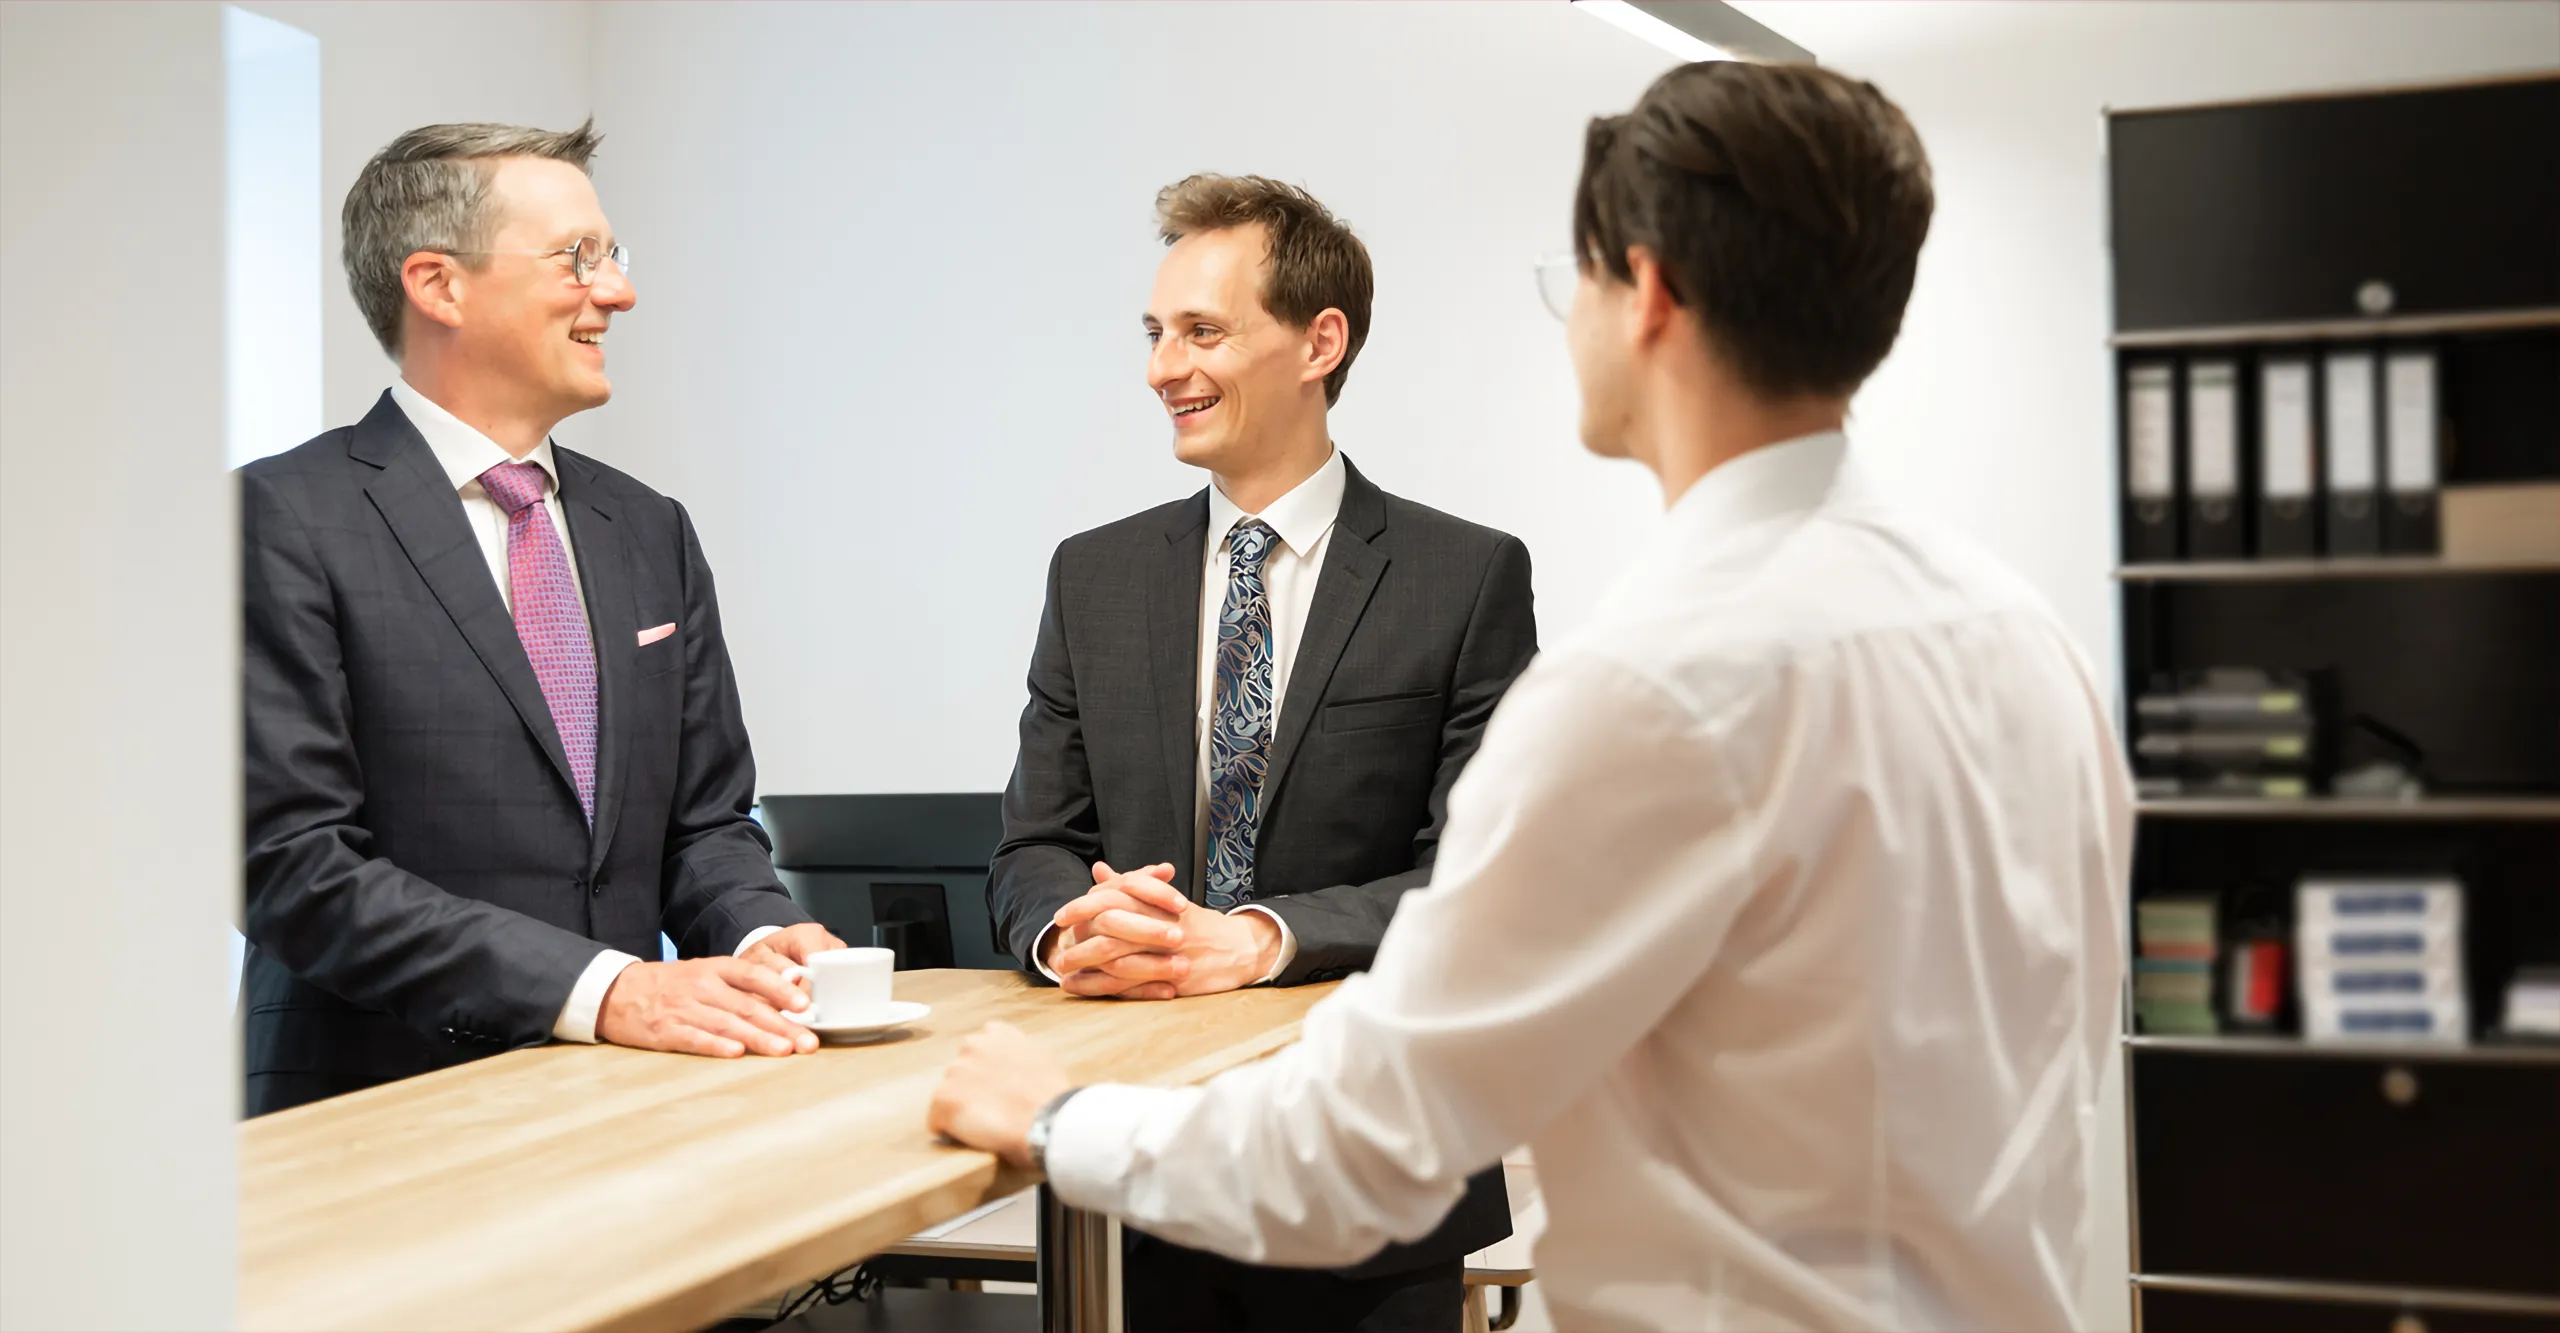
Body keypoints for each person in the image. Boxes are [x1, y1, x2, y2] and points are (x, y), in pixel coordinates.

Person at [933, 62, 2133, 1332]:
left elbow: (1368, 1147)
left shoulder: (1649, 688)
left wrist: (1054, 1117)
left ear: (1646, 295)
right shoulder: (2026, 640)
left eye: (1578, 281)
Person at [982, 174, 1537, 1330]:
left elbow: (1481, 886)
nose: (1161, 368)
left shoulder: (1466, 577)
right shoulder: (1092, 576)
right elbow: (1033, 844)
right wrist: (1072, 926)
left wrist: (1256, 938)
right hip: (1126, 1163)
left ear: (1319, 343)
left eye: (1202, 331)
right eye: (1153, 332)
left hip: (1370, 1178)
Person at [239, 121, 841, 1118]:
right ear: (438, 284)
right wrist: (605, 990)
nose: (619, 291)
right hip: (373, 1115)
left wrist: (758, 933)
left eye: (613, 255)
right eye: (577, 257)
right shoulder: (278, 516)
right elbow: (291, 866)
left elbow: (703, 822)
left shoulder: (648, 527)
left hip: (622, 1106)